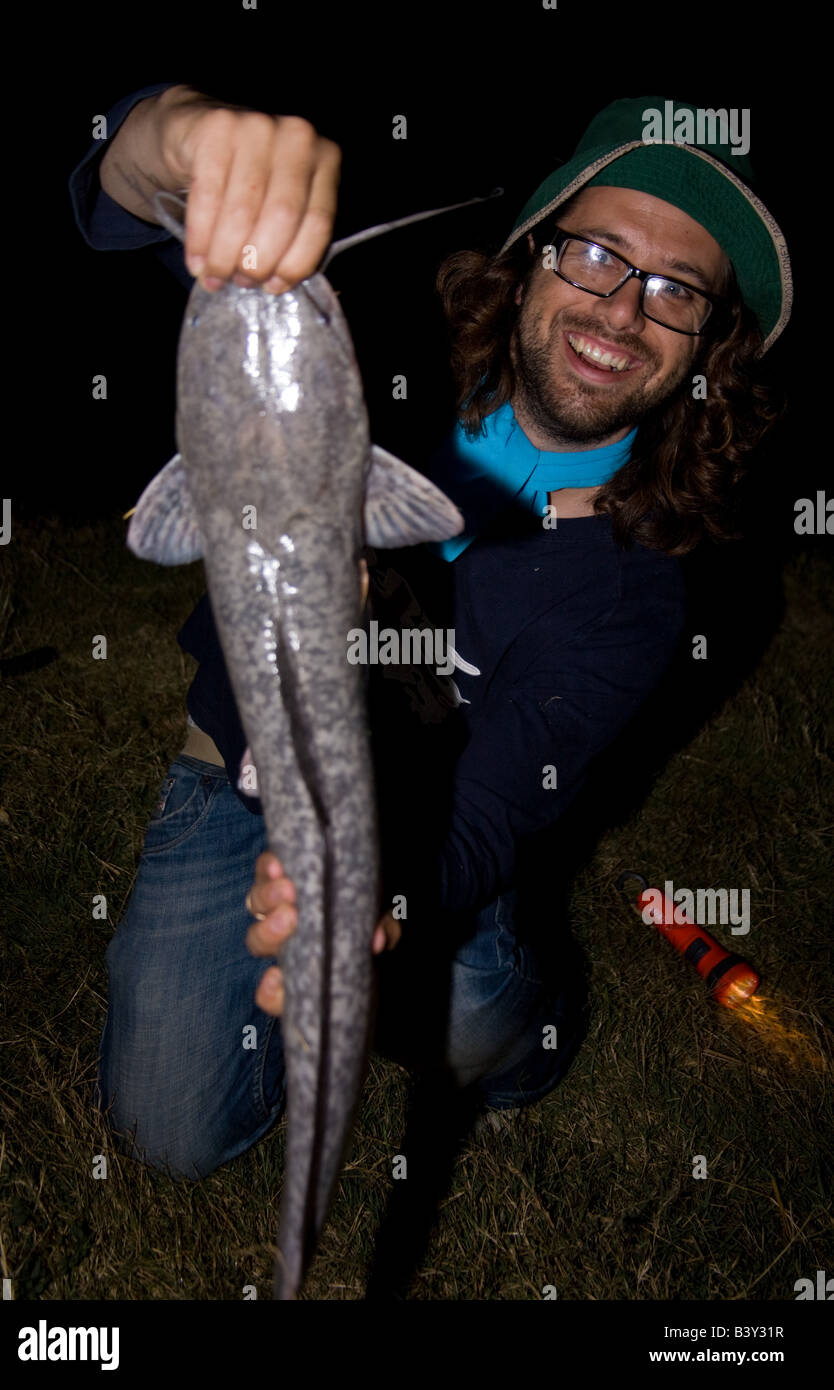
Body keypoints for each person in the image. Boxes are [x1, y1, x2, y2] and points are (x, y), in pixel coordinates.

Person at [70, 88, 790, 1178]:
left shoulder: (642, 592)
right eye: (594, 252)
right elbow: (124, 194)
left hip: (429, 824)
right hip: (246, 770)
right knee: (167, 1131)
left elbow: (490, 805)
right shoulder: (364, 329)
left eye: (673, 291)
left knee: (478, 1025)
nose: (619, 311)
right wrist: (176, 139)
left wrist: (377, 893)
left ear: (705, 347)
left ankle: (513, 1018)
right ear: (531, 251)